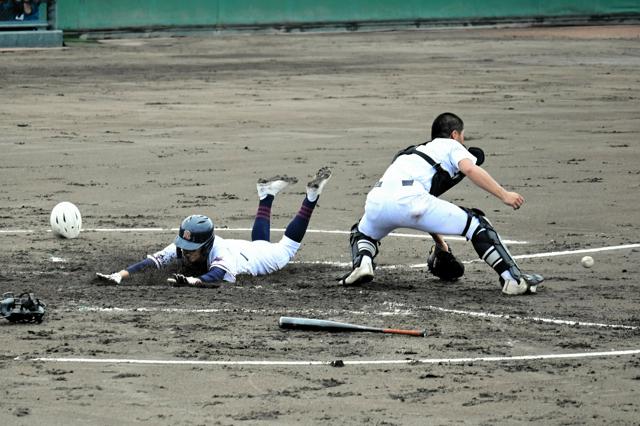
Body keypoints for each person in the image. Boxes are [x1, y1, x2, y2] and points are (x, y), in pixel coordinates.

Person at [339, 112, 543, 295]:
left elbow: (422, 205)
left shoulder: (411, 154)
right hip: (411, 199)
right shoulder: (452, 146)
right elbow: (470, 169)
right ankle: (513, 280)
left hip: (376, 201)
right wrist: (503, 194)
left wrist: (440, 244)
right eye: (463, 136)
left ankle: (363, 262)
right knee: (476, 223)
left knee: (362, 232)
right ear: (455, 134)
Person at [97, 167, 332, 286]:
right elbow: (152, 261)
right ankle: (266, 195)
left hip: (258, 258)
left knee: (285, 249)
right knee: (259, 241)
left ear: (206, 246)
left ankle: (311, 197)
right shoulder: (183, 247)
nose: (186, 252)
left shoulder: (220, 254)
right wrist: (120, 275)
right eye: (185, 246)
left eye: (192, 248)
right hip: (245, 247)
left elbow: (218, 275)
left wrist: (194, 281)